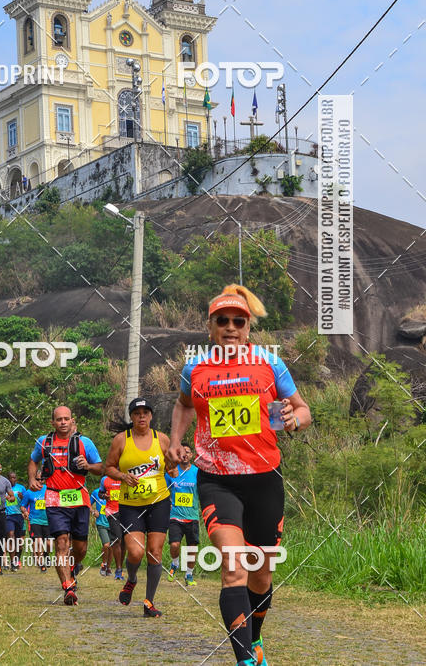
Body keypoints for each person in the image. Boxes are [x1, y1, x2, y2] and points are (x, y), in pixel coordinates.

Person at [168, 284, 312, 666]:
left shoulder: (269, 364)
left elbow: (302, 410)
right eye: (223, 321)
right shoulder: (195, 369)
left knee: (260, 574)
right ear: (211, 326)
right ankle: (246, 659)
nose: (231, 327)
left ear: (248, 327)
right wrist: (175, 442)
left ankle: (256, 636)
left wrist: (293, 421)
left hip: (265, 478)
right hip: (217, 478)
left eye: (239, 321)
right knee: (233, 566)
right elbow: (184, 406)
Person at [104, 397, 174, 618]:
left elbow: (171, 467)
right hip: (131, 505)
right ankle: (132, 579)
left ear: (151, 416)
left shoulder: (161, 439)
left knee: (154, 552)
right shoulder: (121, 440)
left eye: (145, 412)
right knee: (135, 552)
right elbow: (108, 468)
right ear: (131, 417)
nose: (141, 416)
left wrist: (173, 465)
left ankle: (149, 602)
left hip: (158, 502)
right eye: (137, 413)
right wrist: (123, 476)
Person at [28, 406, 103, 605]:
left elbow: (101, 467)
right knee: (61, 543)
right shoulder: (44, 442)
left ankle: (73, 567)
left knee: (80, 548)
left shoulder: (84, 442)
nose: (62, 422)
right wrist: (31, 479)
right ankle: (68, 588)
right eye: (59, 419)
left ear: (72, 421)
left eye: (66, 419)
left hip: (79, 498)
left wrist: (87, 466)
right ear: (52, 422)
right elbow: (33, 461)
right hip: (54, 498)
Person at [166, 443, 199, 586]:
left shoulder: (197, 472)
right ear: (178, 456)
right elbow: (164, 490)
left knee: (192, 548)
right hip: (175, 516)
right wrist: (168, 502)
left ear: (191, 455)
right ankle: (175, 564)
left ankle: (189, 575)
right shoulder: (172, 472)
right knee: (174, 544)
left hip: (192, 516)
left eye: (188, 452)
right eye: (182, 452)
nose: (185, 454)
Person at [21, 473, 50, 571]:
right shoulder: (29, 492)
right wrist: (25, 512)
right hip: (35, 520)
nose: (40, 481)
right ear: (34, 479)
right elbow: (23, 505)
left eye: (42, 479)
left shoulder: (48, 489)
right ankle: (42, 564)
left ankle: (46, 555)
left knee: (49, 544)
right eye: (38, 479)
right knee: (38, 542)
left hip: (48, 520)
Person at [99, 474, 124, 580]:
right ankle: (118, 570)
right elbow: (100, 493)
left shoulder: (126, 476)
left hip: (126, 511)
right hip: (111, 512)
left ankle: (121, 567)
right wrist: (104, 496)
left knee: (125, 542)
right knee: (117, 539)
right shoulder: (105, 479)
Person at [6, 471, 27, 571]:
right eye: (11, 478)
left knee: (19, 541)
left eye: (14, 478)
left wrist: (22, 497)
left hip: (19, 516)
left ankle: (17, 559)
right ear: (8, 478)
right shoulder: (4, 487)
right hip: (8, 516)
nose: (12, 480)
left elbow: (26, 501)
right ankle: (12, 562)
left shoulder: (21, 488)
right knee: (10, 536)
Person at [90, 486, 112, 575]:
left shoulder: (115, 490)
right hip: (101, 523)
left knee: (112, 546)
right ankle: (104, 564)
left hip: (113, 523)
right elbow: (88, 504)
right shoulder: (96, 492)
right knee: (106, 545)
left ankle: (108, 568)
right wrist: (93, 512)